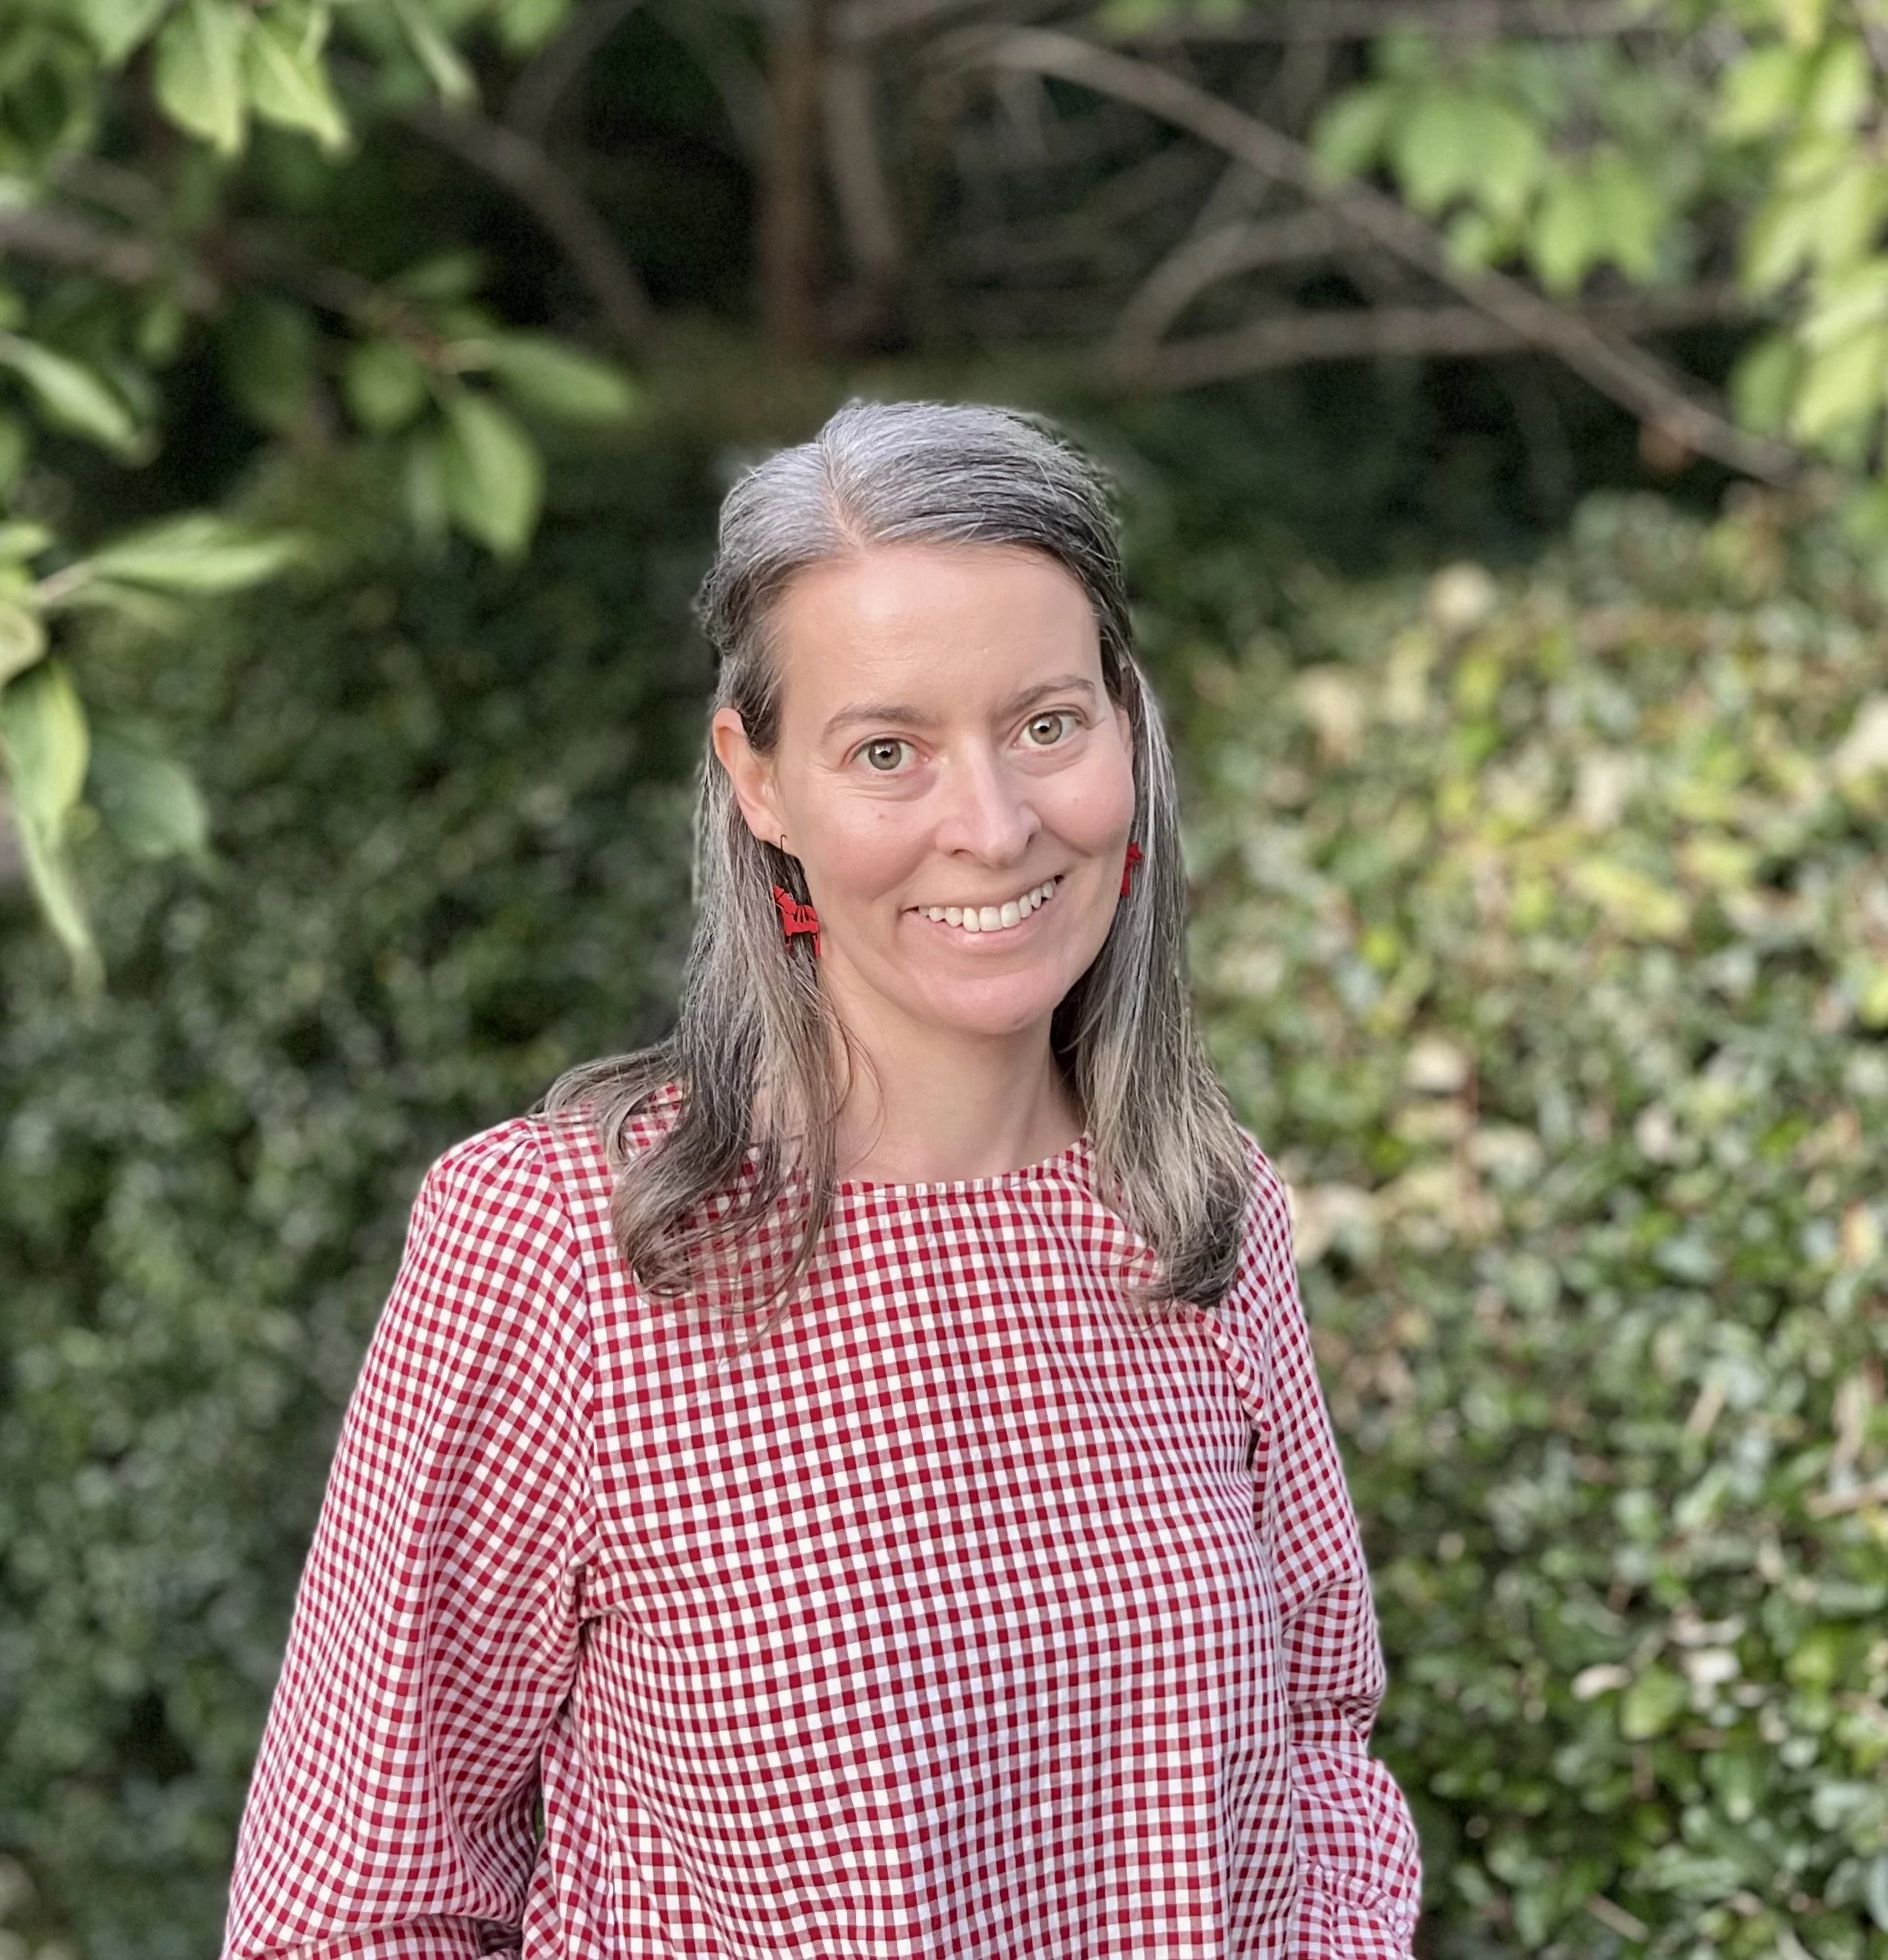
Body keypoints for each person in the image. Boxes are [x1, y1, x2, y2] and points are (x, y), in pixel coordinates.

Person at [222, 399, 1423, 1960]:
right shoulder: (561, 1245)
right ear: (760, 780)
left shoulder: (1203, 1207)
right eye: (887, 750)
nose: (991, 827)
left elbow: (1320, 1750)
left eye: (1048, 722)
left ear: (1129, 726)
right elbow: (353, 1911)